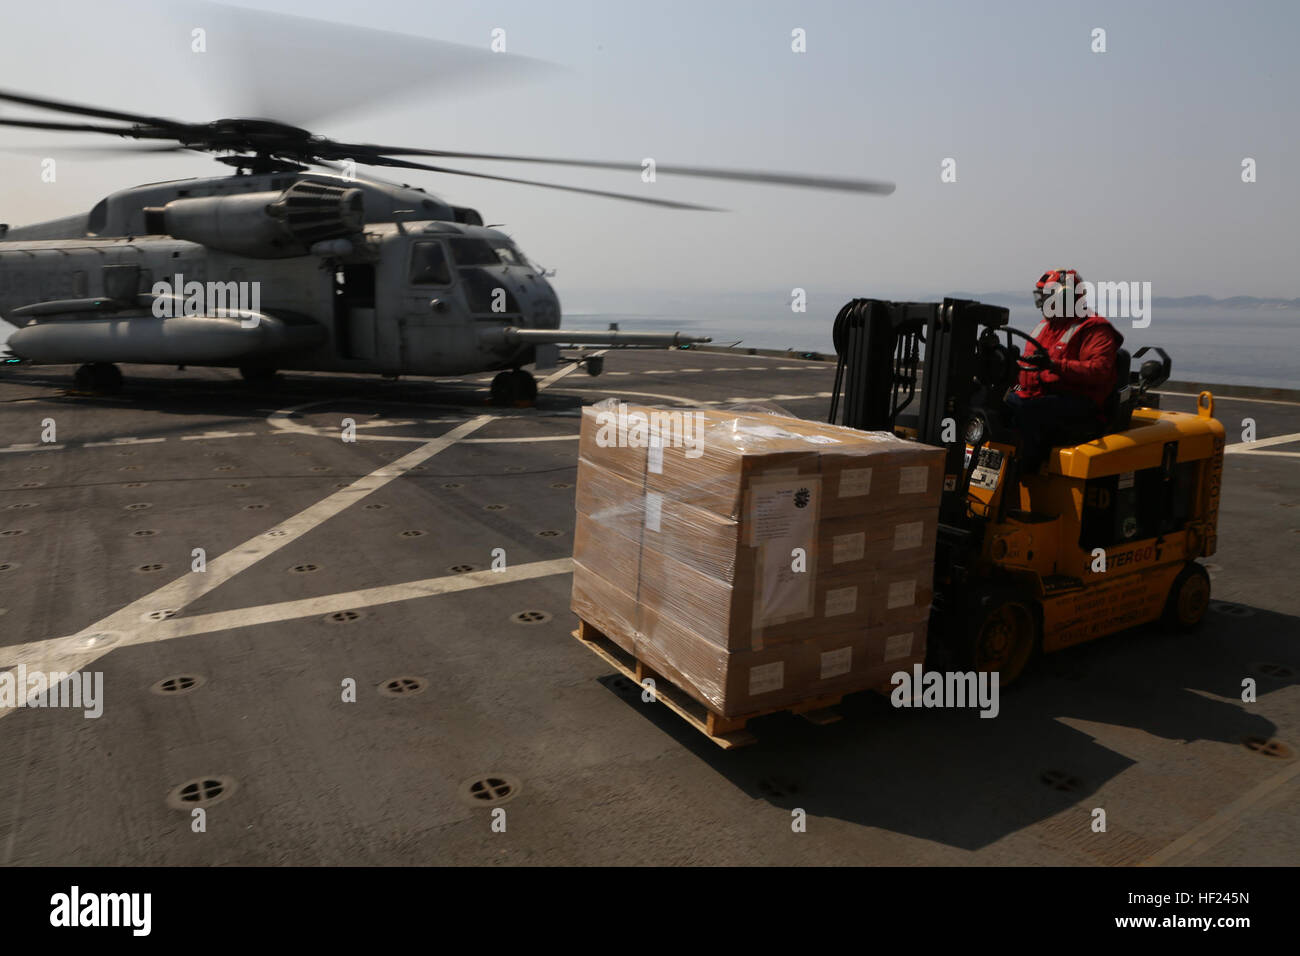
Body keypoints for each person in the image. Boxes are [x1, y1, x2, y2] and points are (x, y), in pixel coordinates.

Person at [1006, 269, 1123, 469]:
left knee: (1026, 410)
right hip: (1036, 395)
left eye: (1047, 296)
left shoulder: (1094, 329)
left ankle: (1025, 468)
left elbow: (1099, 371)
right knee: (992, 400)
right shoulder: (1045, 326)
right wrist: (1008, 373)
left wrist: (1055, 365)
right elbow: (1028, 367)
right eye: (1041, 296)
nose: (1042, 302)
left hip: (1078, 401)